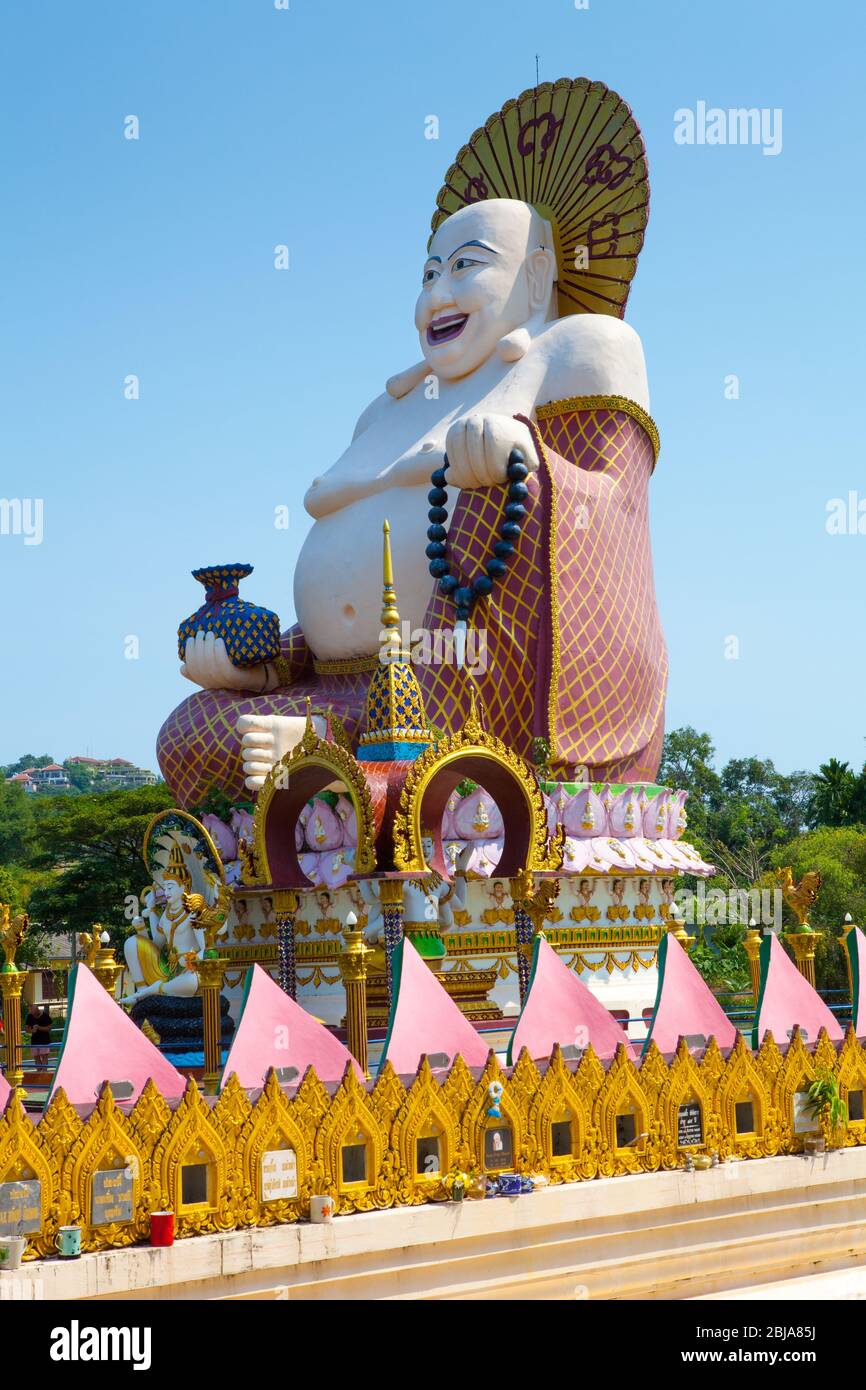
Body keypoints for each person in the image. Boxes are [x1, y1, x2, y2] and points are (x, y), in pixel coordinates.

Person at [26, 1002, 52, 1068]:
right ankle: (39, 1073)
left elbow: (49, 1028)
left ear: (37, 1010)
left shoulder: (45, 1016)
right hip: (34, 1041)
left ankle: (44, 1073)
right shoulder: (29, 1016)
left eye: (34, 1013)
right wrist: (32, 1030)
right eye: (31, 1013)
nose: (33, 1015)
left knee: (44, 1057)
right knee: (36, 1057)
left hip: (44, 1040)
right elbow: (26, 1029)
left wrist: (39, 1028)